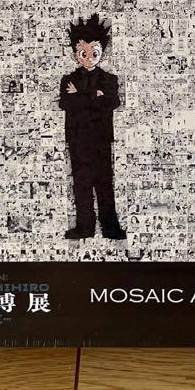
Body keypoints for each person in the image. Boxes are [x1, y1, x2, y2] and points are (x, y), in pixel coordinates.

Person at [58, 14, 126, 240]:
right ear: (75, 55)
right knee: (81, 184)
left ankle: (110, 227)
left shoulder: (109, 79)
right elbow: (65, 103)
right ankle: (84, 226)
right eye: (83, 53)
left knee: (104, 183)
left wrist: (80, 95)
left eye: (94, 53)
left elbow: (112, 102)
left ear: (102, 54)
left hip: (100, 139)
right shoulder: (68, 79)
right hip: (77, 139)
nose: (89, 58)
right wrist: (94, 96)